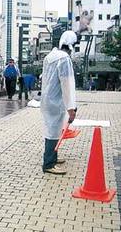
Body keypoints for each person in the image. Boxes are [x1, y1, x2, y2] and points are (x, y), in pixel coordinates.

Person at [40, 31, 78, 175]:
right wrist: (71, 108)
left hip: (47, 100)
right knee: (53, 132)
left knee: (52, 130)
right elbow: (67, 83)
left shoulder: (49, 56)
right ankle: (48, 164)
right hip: (56, 101)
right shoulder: (64, 59)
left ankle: (53, 158)